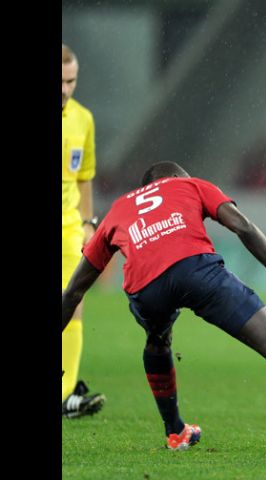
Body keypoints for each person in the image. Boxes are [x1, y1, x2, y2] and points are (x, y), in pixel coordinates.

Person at [62, 161, 266, 455]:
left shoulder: (120, 208)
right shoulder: (191, 185)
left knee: (157, 340)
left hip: (146, 288)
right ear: (178, 177)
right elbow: (243, 226)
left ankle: (175, 432)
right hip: (198, 271)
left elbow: (75, 289)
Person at [62, 43, 106, 418]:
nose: (64, 88)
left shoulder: (83, 119)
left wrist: (89, 224)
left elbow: (84, 177)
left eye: (70, 81)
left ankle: (64, 394)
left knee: (73, 303)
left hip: (67, 229)